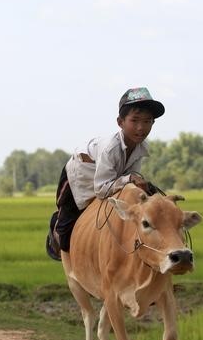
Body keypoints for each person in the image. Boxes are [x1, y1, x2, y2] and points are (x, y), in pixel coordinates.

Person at [46, 87, 165, 260]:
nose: (141, 128)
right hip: (79, 173)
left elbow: (130, 177)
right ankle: (55, 224)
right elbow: (102, 189)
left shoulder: (142, 147)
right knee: (66, 238)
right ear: (120, 122)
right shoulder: (110, 149)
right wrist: (130, 179)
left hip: (110, 179)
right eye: (135, 120)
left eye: (147, 121)